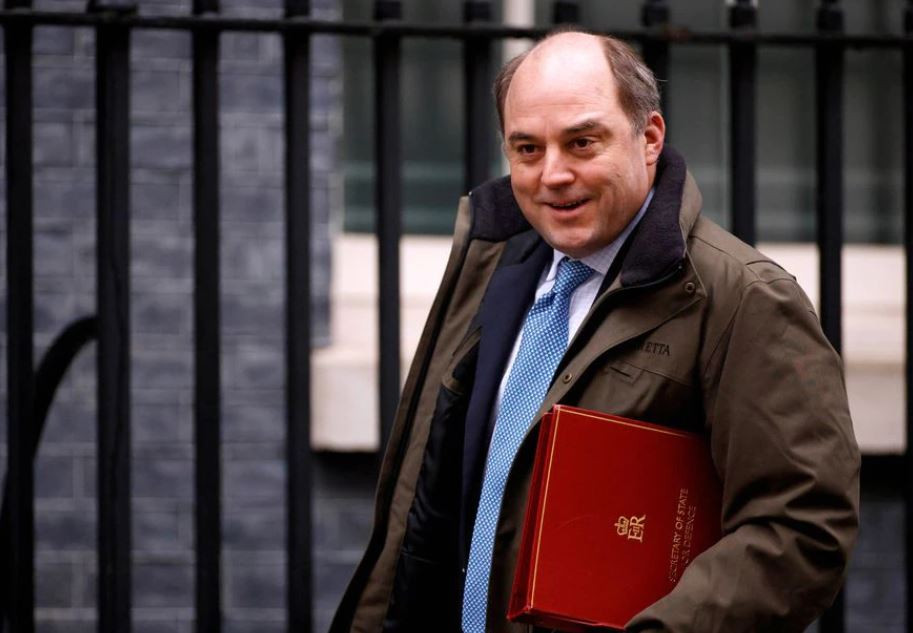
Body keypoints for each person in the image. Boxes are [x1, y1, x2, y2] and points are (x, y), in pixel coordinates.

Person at [330, 30, 860, 633]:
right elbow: (427, 504)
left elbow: (803, 527)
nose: (552, 174)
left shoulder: (744, 299)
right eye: (527, 149)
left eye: (582, 142)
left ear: (649, 138)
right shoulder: (493, 265)